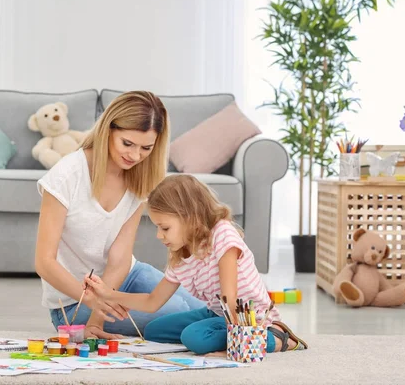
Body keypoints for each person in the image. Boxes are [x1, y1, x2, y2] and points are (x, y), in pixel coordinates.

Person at [34, 91, 204, 340]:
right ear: (108, 131)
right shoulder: (67, 175)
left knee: (205, 306)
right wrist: (95, 316)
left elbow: (120, 258)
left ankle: (268, 334)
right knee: (179, 313)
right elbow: (44, 262)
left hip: (128, 276)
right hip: (74, 301)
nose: (135, 156)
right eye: (127, 144)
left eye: (146, 148)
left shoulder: (140, 176)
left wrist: (108, 298)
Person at [84, 174, 308, 354]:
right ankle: (217, 335)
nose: (159, 236)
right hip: (215, 313)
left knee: (195, 339)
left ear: (189, 217)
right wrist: (107, 294)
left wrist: (239, 342)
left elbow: (230, 299)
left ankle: (276, 337)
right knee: (154, 330)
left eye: (165, 228)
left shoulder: (223, 236)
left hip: (247, 318)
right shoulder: (181, 255)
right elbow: (153, 302)